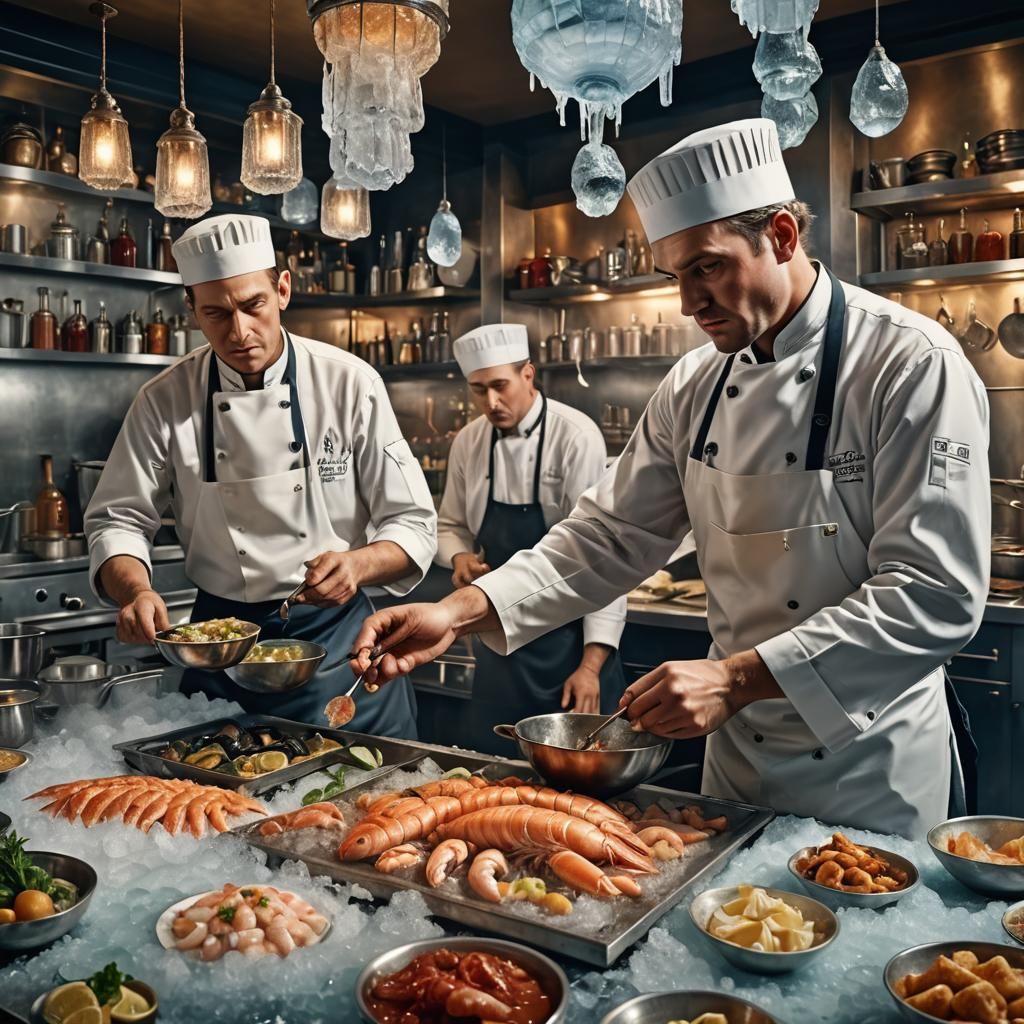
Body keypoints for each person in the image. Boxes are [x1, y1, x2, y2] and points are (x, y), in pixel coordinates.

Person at [348, 118, 991, 837]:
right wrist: (459, 612)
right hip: (739, 760)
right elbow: (607, 537)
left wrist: (735, 678)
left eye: (707, 267)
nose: (688, 303)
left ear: (781, 236)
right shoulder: (696, 384)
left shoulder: (909, 364)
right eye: (675, 275)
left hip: (870, 765)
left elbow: (934, 593)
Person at [85, 214, 436, 737]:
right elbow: (116, 520)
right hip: (217, 650)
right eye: (216, 313)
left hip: (339, 649)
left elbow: (413, 525)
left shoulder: (349, 384)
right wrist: (134, 590)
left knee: (375, 806)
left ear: (283, 289)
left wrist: (357, 565)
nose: (239, 331)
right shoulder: (164, 400)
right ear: (192, 311)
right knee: (213, 806)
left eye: (254, 306)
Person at [436, 324, 627, 753]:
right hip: (500, 640)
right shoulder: (468, 441)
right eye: (478, 390)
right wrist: (460, 557)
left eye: (500, 386)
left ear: (528, 374)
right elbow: (448, 524)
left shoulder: (575, 436)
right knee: (495, 766)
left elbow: (603, 556)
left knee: (577, 776)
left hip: (571, 641)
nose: (490, 402)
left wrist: (591, 667)